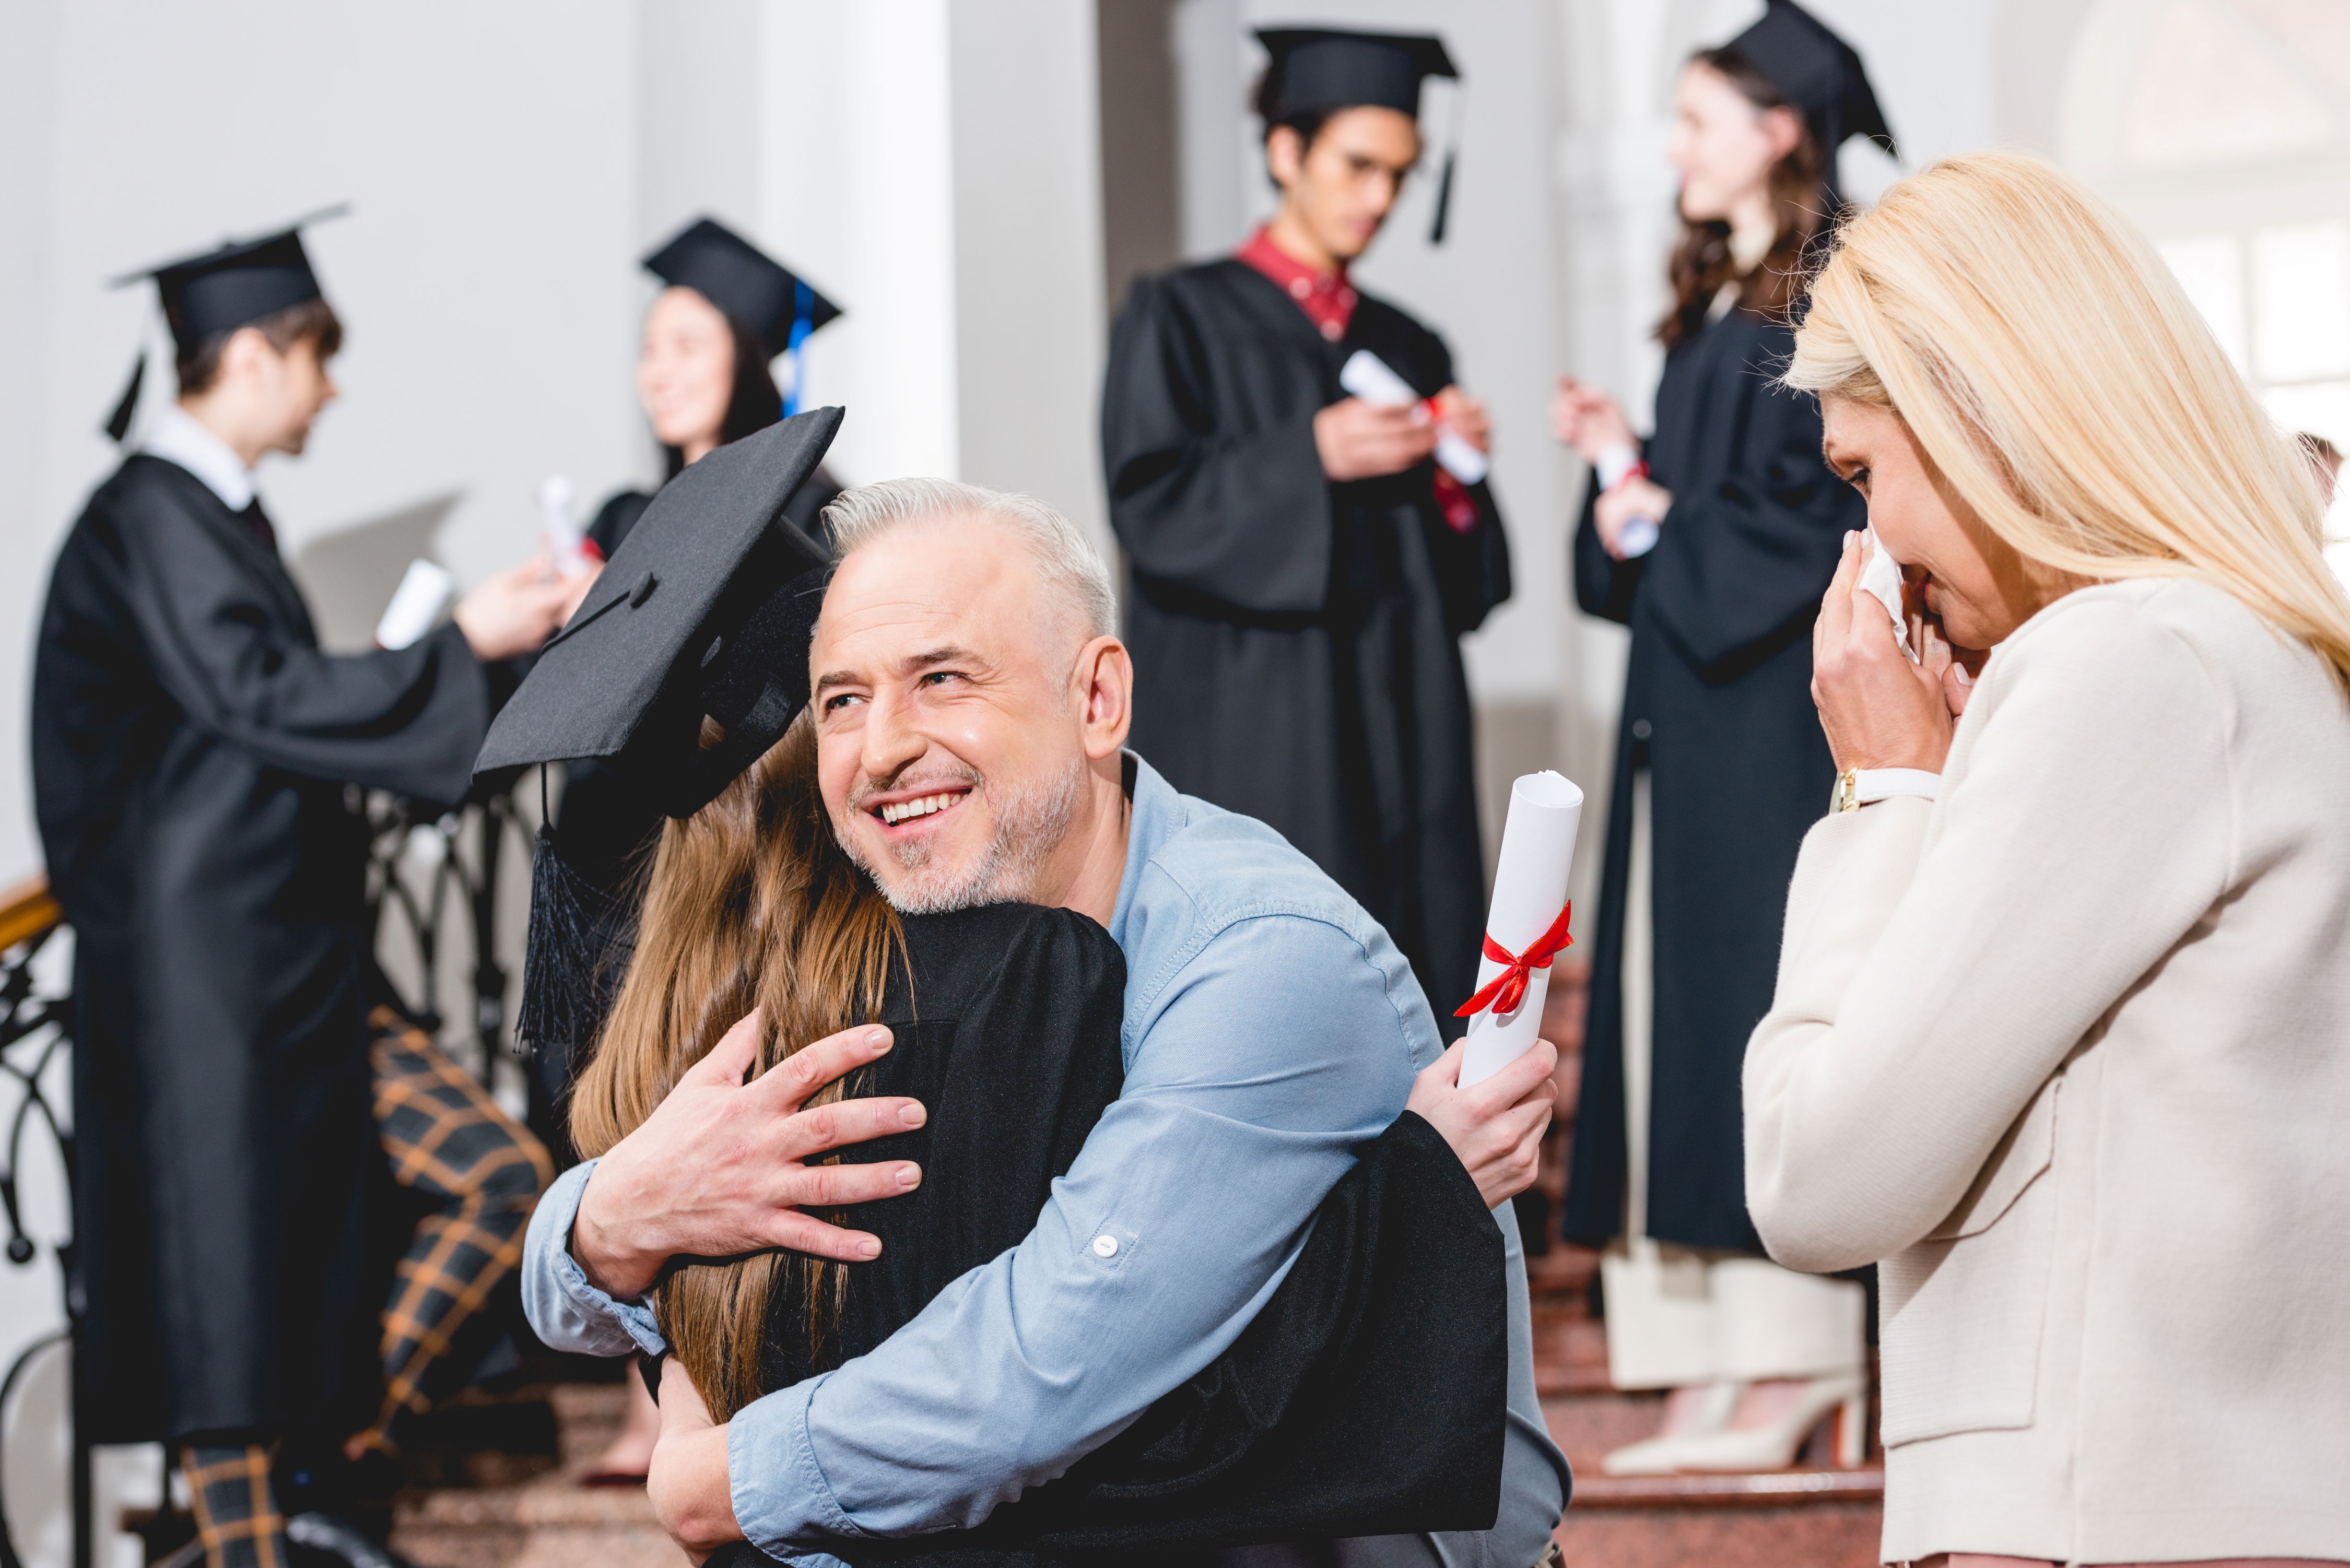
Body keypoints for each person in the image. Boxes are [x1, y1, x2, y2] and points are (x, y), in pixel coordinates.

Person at [494, 421, 1569, 1564]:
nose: (884, 747)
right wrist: (610, 1220)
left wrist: (718, 1479)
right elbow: (661, 1291)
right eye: (843, 699)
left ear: (1098, 698)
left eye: (943, 678)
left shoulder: (1258, 958)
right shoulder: (923, 940)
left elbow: (1041, 1369)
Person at [1753, 149, 2350, 1565]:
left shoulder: (2126, 657)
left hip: (2100, 1522)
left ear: (1978, 413)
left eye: (1863, 471)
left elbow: (1812, 1176)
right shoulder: (2231, 655)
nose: (1868, 548)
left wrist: (1886, 789)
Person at [31, 219, 584, 1568]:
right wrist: (458, 642)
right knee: (225, 1307)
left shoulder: (205, 518)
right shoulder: (150, 513)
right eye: (318, 357)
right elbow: (259, 698)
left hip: (290, 960)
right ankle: (274, 1507)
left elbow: (264, 718)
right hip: (201, 987)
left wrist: (464, 660)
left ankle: (336, 1447)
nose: (331, 388)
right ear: (256, 352)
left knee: (495, 1178)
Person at [1547, 0, 1884, 1475]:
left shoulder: (1837, 297)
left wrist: (1665, 512)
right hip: (1682, 718)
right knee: (1666, 1026)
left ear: (1774, 129)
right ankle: (1704, 1363)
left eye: (1695, 118)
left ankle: (1797, 1354)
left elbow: (1824, 515)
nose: (1671, 146)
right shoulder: (1709, 304)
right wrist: (1622, 470)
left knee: (1750, 1008)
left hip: (1771, 722)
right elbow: (1668, 540)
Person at [522, 215, 848, 1482]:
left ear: (755, 351)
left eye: (684, 341)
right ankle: (640, 1386)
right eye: (647, 346)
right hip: (613, 841)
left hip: (737, 850)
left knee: (707, 1067)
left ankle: (728, 1367)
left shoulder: (818, 507)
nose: (656, 369)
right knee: (604, 1084)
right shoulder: (623, 510)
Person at [1102, 27, 1508, 1025]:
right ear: (1286, 152)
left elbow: (1474, 588)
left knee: (1417, 991)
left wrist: (1460, 478)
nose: (1377, 199)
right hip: (1265, 734)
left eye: (1399, 176)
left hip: (1405, 728)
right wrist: (1308, 456)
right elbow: (1151, 508)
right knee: (1277, 1002)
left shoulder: (1408, 341)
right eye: (1357, 166)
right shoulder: (1179, 316)